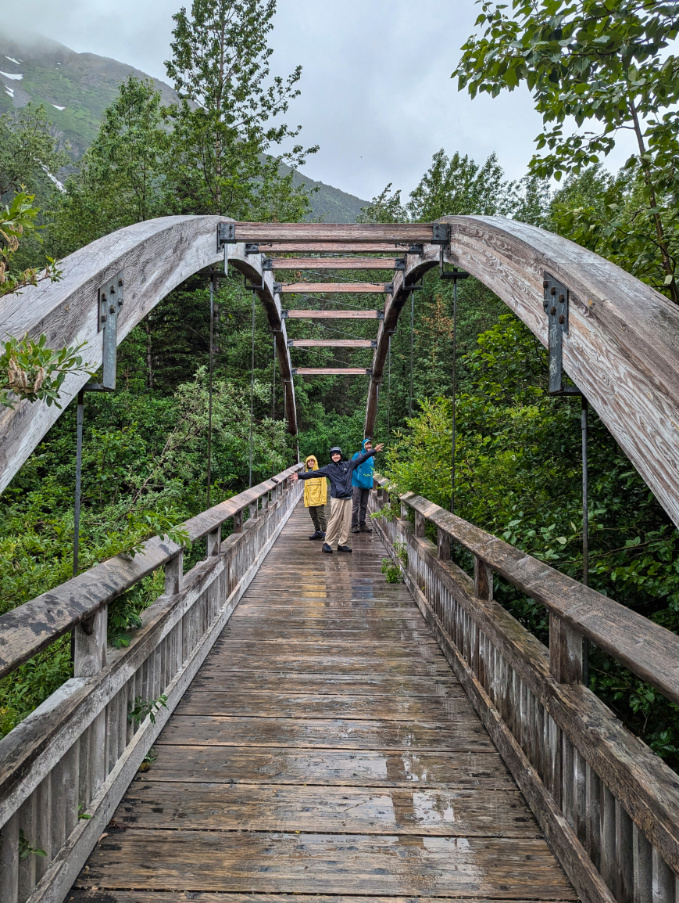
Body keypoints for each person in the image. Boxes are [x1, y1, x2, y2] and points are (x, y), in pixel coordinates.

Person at [292, 443, 384, 553]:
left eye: (337, 454)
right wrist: (300, 476)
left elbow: (361, 458)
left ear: (340, 455)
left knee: (346, 522)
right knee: (334, 521)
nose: (335, 456)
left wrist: (373, 451)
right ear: (331, 457)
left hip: (348, 498)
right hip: (337, 498)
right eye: (333, 455)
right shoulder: (329, 468)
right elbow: (314, 473)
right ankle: (327, 543)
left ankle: (342, 544)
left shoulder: (348, 465)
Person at [351, 438, 375, 534]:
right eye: (367, 444)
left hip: (366, 485)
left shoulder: (372, 457)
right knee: (356, 505)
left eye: (370, 444)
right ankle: (354, 525)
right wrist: (358, 478)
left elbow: (370, 471)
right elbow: (352, 467)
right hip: (357, 484)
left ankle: (362, 524)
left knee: (364, 505)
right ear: (363, 445)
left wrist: (370, 482)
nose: (369, 446)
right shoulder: (358, 455)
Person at [302, 454, 327, 540]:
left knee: (321, 516)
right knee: (313, 516)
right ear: (307, 463)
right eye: (309, 461)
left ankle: (325, 532)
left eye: (312, 461)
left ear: (315, 462)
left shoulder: (320, 473)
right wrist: (306, 500)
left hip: (318, 499)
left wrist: (323, 499)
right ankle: (318, 531)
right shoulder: (306, 474)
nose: (311, 462)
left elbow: (324, 487)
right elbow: (306, 489)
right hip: (310, 500)